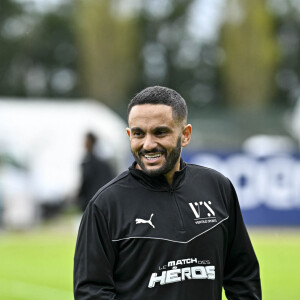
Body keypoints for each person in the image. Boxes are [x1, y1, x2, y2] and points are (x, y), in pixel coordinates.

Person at [74, 86, 261, 299]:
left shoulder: (217, 187)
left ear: (185, 135)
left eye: (160, 132)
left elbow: (242, 277)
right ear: (129, 135)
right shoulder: (105, 205)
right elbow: (92, 292)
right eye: (138, 133)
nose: (148, 144)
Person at [77, 131, 113, 212]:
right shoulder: (103, 162)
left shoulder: (88, 162)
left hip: (91, 200)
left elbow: (85, 183)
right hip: (101, 201)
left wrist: (79, 197)